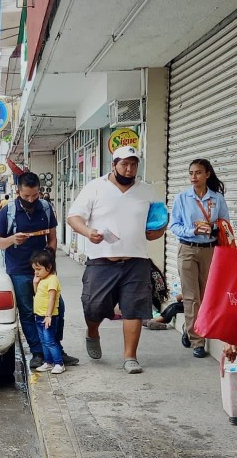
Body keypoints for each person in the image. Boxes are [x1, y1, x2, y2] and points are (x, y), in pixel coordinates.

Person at [66, 145, 167, 374]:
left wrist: (157, 232)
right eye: (124, 164)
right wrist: (88, 232)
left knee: (134, 308)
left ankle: (130, 356)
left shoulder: (148, 191)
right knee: (94, 306)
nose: (129, 169)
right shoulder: (95, 188)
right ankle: (92, 332)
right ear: (114, 165)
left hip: (136, 260)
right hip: (101, 260)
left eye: (133, 164)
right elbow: (74, 217)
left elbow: (159, 223)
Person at [0, 171, 79, 370]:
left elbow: (53, 236)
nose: (31, 200)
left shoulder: (46, 208)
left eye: (35, 195)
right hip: (20, 271)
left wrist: (50, 254)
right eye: (26, 196)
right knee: (29, 312)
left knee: (57, 308)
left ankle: (55, 348)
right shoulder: (9, 212)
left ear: (40, 191)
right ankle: (38, 352)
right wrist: (13, 239)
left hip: (46, 272)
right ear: (18, 192)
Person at [168, 159, 231, 358]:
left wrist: (212, 227)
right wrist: (192, 229)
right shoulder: (182, 198)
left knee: (206, 295)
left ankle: (190, 328)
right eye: (191, 173)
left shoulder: (217, 198)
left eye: (198, 173)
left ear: (207, 175)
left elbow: (225, 224)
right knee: (190, 296)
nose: (193, 177)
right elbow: (174, 225)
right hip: (187, 248)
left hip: (210, 250)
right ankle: (197, 340)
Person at [31, 249, 64, 374]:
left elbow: (52, 298)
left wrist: (49, 315)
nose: (36, 272)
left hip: (48, 317)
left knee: (50, 341)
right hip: (39, 316)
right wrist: (35, 283)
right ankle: (48, 362)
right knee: (44, 341)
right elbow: (37, 294)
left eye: (38, 269)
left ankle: (59, 363)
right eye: (35, 269)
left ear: (49, 267)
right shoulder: (42, 280)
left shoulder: (52, 279)